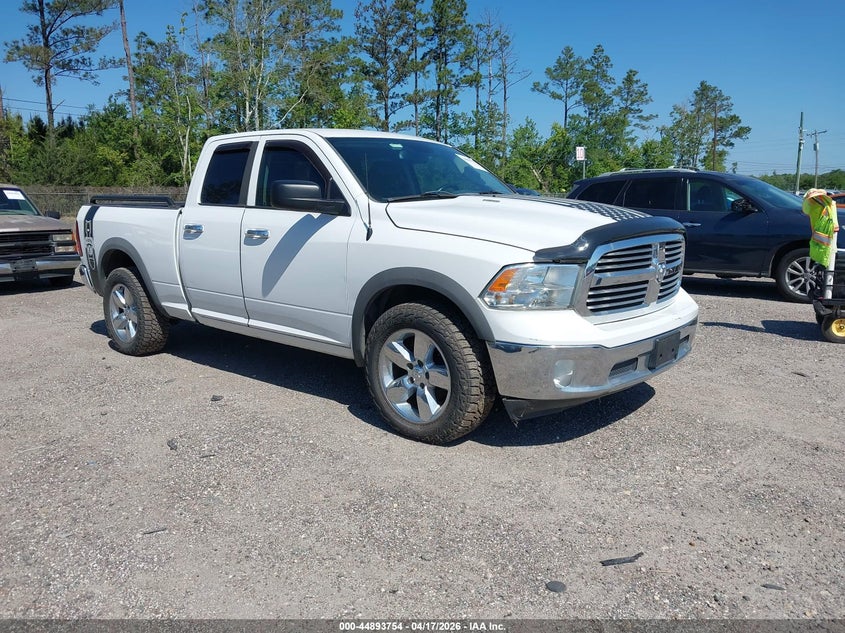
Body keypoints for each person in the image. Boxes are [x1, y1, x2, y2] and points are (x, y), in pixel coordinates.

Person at [802, 188, 839, 298]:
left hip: (823, 247)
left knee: (825, 274)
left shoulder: (821, 206)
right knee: (825, 273)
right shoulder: (827, 206)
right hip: (824, 247)